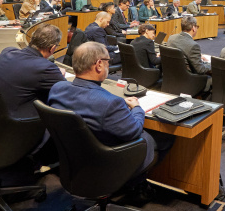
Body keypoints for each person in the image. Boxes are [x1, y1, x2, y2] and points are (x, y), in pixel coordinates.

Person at [48, 42, 175, 186]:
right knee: (164, 138)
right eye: (108, 61)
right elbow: (134, 131)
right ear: (99, 65)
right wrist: (136, 108)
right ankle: (136, 184)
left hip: (74, 161)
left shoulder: (57, 88)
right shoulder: (110, 103)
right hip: (108, 164)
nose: (109, 64)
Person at [0, 23, 64, 119]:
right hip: (16, 121)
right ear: (52, 48)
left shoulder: (7, 51)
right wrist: (60, 74)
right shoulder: (46, 68)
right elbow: (67, 92)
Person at [166, 16, 211, 92]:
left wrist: (197, 56)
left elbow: (181, 50)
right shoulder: (193, 45)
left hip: (171, 78)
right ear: (193, 28)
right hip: (188, 81)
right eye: (197, 27)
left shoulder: (171, 38)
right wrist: (211, 65)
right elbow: (200, 70)